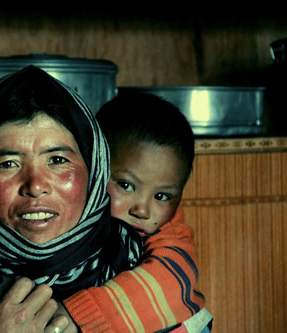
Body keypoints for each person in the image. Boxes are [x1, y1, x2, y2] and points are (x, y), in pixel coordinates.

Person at [0, 67, 208, 332]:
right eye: (8, 164)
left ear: (95, 170)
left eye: (58, 160)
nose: (35, 185)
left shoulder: (160, 294)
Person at [93, 91, 213, 332]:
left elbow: (169, 281)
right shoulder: (72, 217)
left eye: (161, 196)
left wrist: (73, 316)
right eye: (126, 185)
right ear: (94, 165)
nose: (142, 210)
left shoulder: (171, 234)